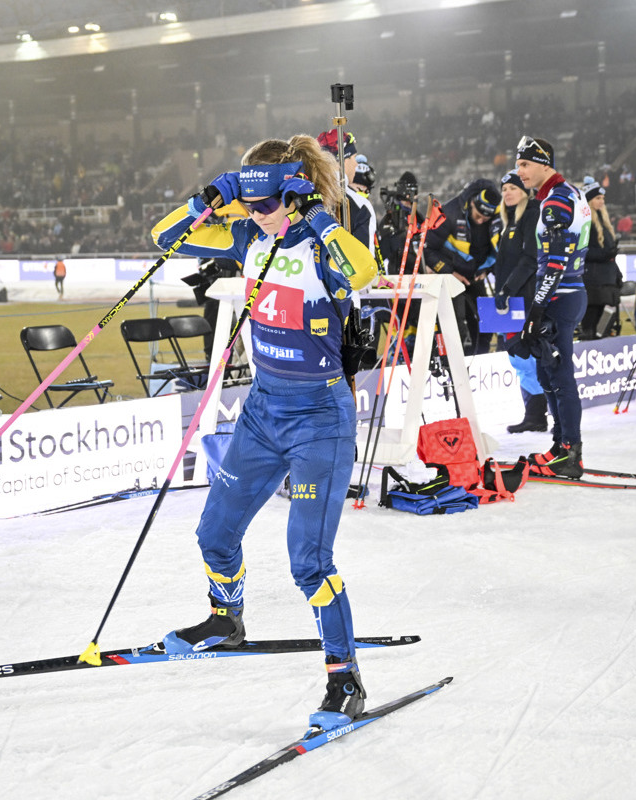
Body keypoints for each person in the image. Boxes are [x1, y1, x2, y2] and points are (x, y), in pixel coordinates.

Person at [150, 134, 378, 729]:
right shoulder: (249, 235)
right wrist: (210, 196)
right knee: (214, 532)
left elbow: (364, 269)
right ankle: (226, 620)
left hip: (318, 419)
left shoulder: (320, 243)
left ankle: (344, 677)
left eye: (267, 202)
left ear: (293, 192)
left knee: (309, 560)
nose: (256, 214)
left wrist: (319, 216)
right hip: (262, 409)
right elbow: (164, 236)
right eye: (248, 201)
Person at [511, 136, 590, 478]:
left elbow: (556, 262)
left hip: (561, 294)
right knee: (548, 373)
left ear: (545, 164)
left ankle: (571, 451)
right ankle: (561, 445)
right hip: (565, 293)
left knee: (559, 375)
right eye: (518, 164)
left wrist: (537, 310)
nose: (519, 172)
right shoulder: (567, 193)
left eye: (525, 164)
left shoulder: (556, 200)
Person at [492, 170, 546, 434]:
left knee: (525, 354)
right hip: (510, 300)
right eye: (503, 189)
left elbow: (530, 259)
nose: (507, 193)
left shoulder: (532, 213)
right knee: (518, 356)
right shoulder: (509, 220)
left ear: (524, 190)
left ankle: (541, 413)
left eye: (512, 187)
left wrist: (507, 289)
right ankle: (534, 415)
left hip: (523, 300)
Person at [420, 179, 500, 354]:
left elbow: (499, 250)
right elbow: (426, 249)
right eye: (478, 215)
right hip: (450, 276)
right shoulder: (450, 212)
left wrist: (486, 269)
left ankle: (481, 362)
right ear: (471, 203)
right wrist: (450, 272)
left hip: (475, 276)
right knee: (455, 324)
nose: (480, 221)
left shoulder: (497, 217)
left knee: (485, 323)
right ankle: (453, 364)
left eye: (485, 218)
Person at [579, 183, 622, 339]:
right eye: (598, 198)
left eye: (603, 198)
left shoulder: (605, 224)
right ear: (589, 200)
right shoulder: (584, 223)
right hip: (592, 281)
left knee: (603, 326)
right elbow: (581, 251)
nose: (602, 201)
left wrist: (617, 275)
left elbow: (608, 254)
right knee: (590, 324)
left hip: (605, 280)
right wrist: (603, 254)